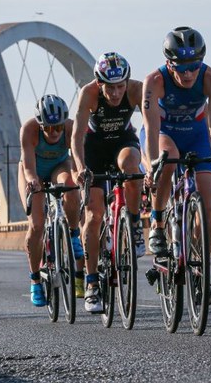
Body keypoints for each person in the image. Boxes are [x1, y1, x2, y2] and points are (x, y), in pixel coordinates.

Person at [141, 27, 211, 259]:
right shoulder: (155, 81)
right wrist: (152, 166)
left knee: (209, 206)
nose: (188, 74)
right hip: (164, 132)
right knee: (169, 158)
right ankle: (158, 224)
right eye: (180, 68)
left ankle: (197, 263)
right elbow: (151, 128)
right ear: (169, 64)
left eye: (194, 66)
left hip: (196, 134)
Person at [72, 52, 144, 313]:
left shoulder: (136, 89)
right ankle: (92, 283)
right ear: (99, 83)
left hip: (123, 142)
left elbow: (150, 126)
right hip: (94, 149)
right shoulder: (89, 93)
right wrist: (81, 167)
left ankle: (134, 223)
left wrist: (152, 163)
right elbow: (76, 136)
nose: (115, 93)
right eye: (109, 88)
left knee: (132, 167)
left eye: (119, 87)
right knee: (94, 216)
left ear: (127, 82)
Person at [19, 94, 85, 307]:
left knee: (71, 186)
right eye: (47, 128)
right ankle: (35, 280)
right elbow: (28, 167)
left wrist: (80, 175)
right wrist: (32, 181)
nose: (54, 132)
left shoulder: (71, 128)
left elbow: (77, 160)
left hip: (59, 166)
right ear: (40, 125)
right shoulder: (29, 130)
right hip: (34, 171)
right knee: (36, 226)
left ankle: (73, 234)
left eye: (57, 127)